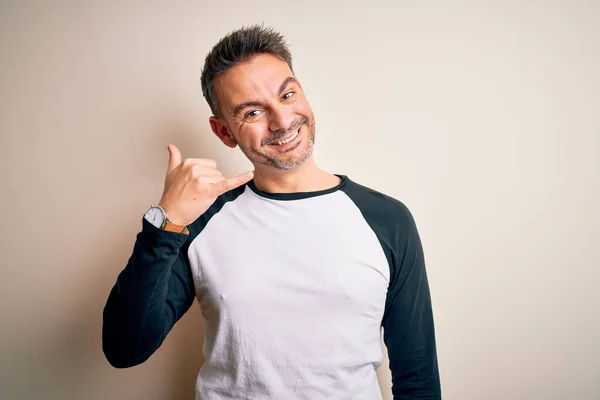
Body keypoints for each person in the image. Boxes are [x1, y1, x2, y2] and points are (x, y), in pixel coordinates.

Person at [102, 24, 441, 399]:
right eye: (252, 112)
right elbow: (125, 348)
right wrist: (165, 222)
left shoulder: (387, 220)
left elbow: (417, 376)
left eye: (288, 94)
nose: (281, 121)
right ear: (224, 132)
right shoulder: (198, 221)